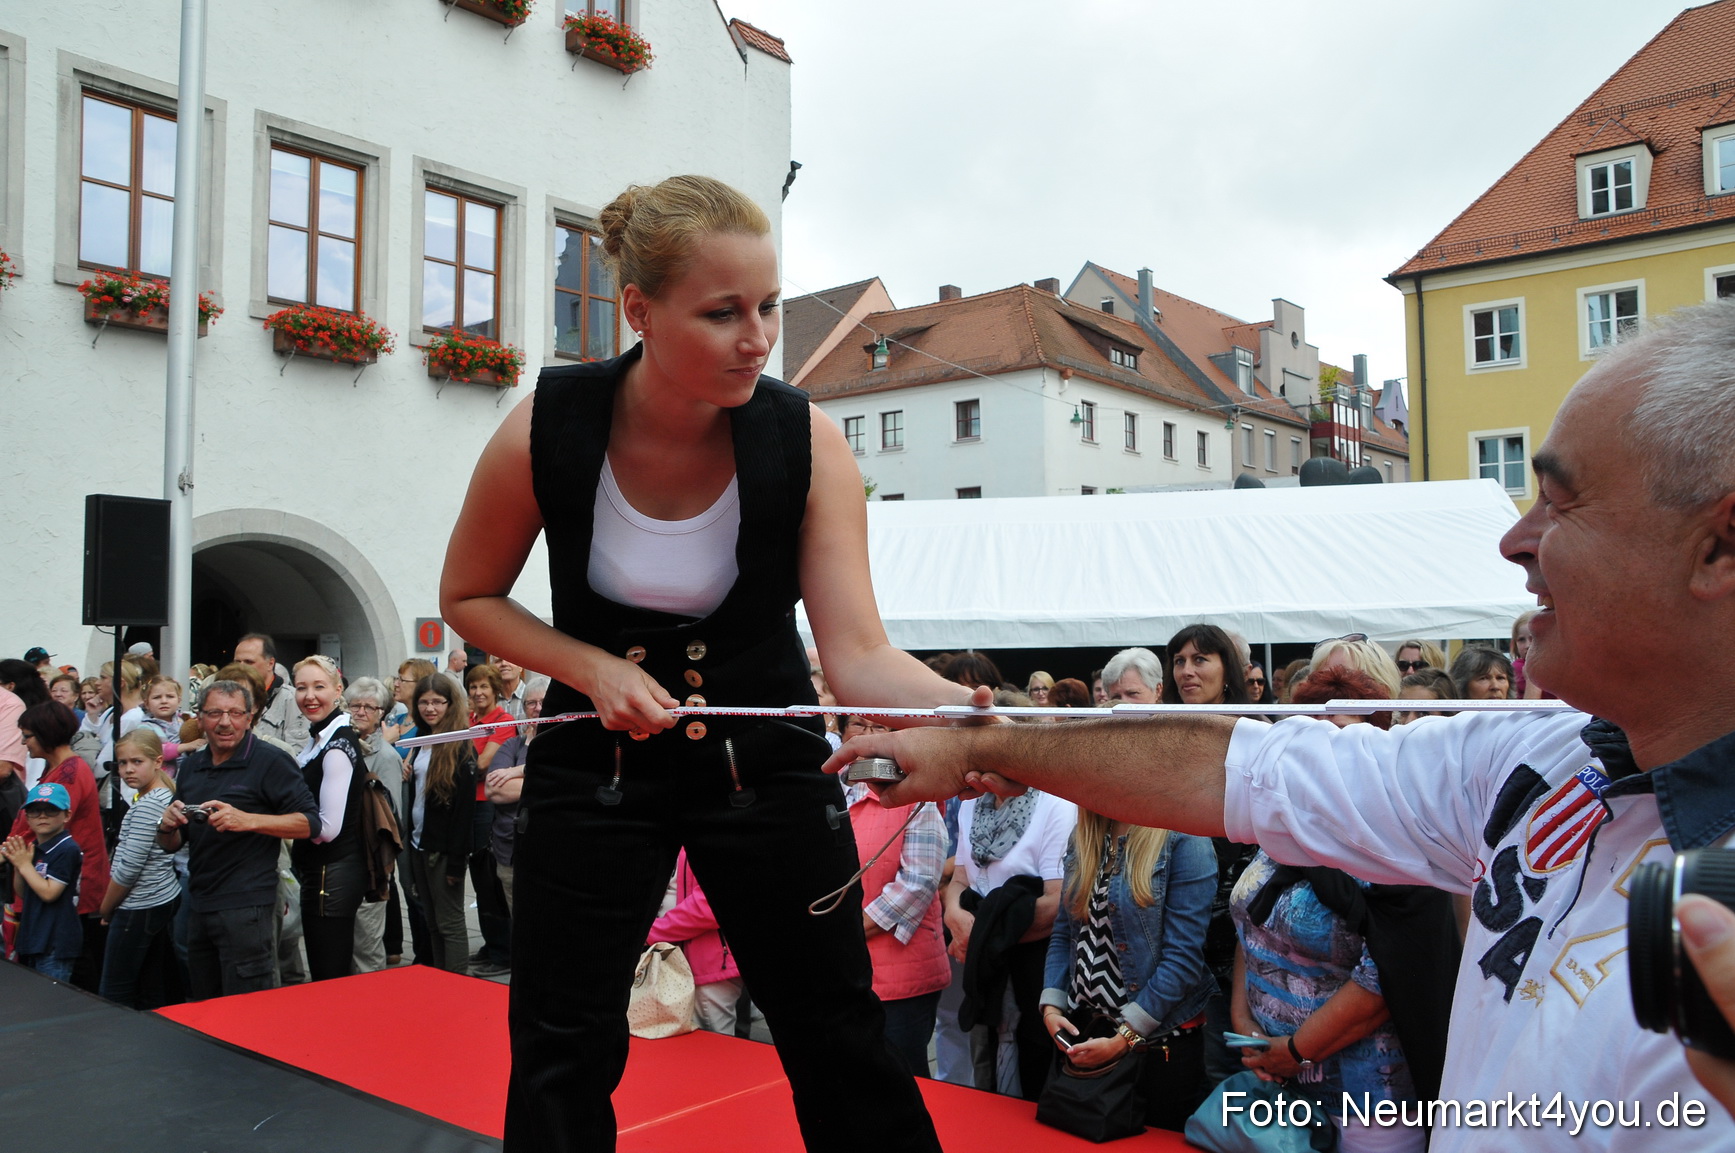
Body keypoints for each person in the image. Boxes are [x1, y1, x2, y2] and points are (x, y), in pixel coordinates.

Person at [830, 299, 1735, 1149]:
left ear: (1720, 545)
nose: (1514, 537)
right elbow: (1237, 769)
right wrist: (985, 743)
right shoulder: (1537, 760)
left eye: (1561, 499)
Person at [439, 173, 980, 1151]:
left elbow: (857, 654)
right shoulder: (546, 424)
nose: (758, 336)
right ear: (638, 310)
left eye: (767, 305)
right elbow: (467, 597)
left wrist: (969, 707)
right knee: (561, 1043)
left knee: (836, 1034)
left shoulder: (805, 438)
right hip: (592, 771)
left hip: (766, 771)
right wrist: (591, 668)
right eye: (723, 311)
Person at [1041, 807, 1216, 1132]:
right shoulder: (1086, 834)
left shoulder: (1184, 837)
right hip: (1087, 1031)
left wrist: (1125, 1037)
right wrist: (1052, 1005)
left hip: (1158, 1046)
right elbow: (1065, 931)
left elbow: (1183, 959)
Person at [157, 679, 321, 1000]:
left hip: (247, 908)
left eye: (235, 713)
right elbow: (174, 844)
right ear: (199, 718)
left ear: (250, 717)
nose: (225, 722)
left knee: (249, 1009)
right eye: (215, 713)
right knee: (204, 1005)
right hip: (200, 901)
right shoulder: (191, 767)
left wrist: (246, 820)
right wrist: (167, 827)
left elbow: (310, 824)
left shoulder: (270, 761)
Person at [946, 781, 1075, 1099]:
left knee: (1030, 1065)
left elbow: (1057, 903)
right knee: (986, 1061)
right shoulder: (971, 804)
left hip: (1035, 961)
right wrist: (953, 914)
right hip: (985, 963)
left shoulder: (1056, 803)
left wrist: (986, 939)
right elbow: (960, 880)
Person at [841, 714, 949, 1077]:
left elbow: (918, 881)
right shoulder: (828, 794)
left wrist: (851, 929)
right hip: (842, 969)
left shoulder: (918, 799)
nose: (869, 737)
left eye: (881, 729)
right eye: (858, 725)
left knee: (902, 1078)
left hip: (901, 974)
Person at [11, 701, 112, 990]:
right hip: (51, 887)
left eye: (28, 735)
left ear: (46, 734)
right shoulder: (58, 769)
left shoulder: (69, 773)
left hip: (69, 894)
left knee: (72, 980)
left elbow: (38, 830)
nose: (23, 742)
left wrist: (10, 853)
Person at [288, 655, 368, 981]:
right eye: (301, 687)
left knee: (328, 974)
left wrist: (266, 822)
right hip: (323, 871)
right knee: (328, 970)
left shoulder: (337, 746)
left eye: (319, 687)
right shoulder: (319, 738)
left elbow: (328, 828)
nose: (309, 696)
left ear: (338, 690)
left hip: (330, 875)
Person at [97, 729, 184, 1008]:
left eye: (137, 762)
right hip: (158, 897)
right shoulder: (161, 797)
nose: (128, 770)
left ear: (158, 762)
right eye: (122, 763)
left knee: (115, 990)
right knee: (153, 983)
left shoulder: (149, 805)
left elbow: (129, 869)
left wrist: (106, 908)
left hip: (139, 903)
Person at [399, 673, 475, 975]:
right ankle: (439, 979)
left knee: (450, 924)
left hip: (443, 851)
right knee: (432, 922)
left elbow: (464, 812)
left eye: (437, 702)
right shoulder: (422, 740)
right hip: (419, 844)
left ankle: (456, 984)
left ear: (449, 704)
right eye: (424, 702)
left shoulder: (459, 745)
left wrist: (457, 862)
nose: (430, 708)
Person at [342, 676, 406, 973]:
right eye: (355, 705)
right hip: (343, 856)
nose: (361, 712)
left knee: (366, 943)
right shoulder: (343, 746)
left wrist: (383, 868)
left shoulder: (387, 756)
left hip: (370, 860)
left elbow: (391, 818)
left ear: (381, 713)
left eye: (370, 707)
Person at [464, 662, 515, 977]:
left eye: (484, 686)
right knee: (479, 882)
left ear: (495, 689)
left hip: (487, 807)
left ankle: (503, 951)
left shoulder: (503, 721)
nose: (478, 692)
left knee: (490, 881)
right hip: (469, 806)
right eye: (473, 687)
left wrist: (457, 743)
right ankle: (490, 943)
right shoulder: (469, 721)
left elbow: (480, 764)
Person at [3, 782, 83, 980]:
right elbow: (23, 892)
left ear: (67, 815)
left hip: (55, 942)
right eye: (35, 811)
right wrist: (19, 864)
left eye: (51, 810)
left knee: (52, 1001)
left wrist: (24, 865)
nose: (42, 816)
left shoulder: (67, 848)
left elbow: (49, 893)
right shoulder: (36, 846)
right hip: (34, 936)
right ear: (27, 817)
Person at [234, 634, 310, 749]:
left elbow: (297, 754)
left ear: (270, 663)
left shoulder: (293, 699)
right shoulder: (224, 697)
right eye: (237, 662)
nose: (241, 667)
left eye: (249, 662)